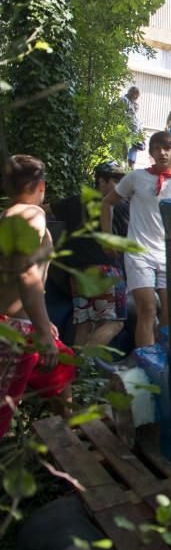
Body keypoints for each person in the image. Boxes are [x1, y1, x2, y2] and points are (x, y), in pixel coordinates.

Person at [101, 131, 171, 348]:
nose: (162, 152)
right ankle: (147, 364)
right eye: (156, 148)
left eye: (167, 148)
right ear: (152, 152)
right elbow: (107, 203)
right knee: (146, 309)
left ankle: (163, 360)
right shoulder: (136, 177)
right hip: (139, 252)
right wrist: (107, 238)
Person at [0, 156, 76, 436]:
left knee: (61, 368)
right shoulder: (31, 214)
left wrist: (41, 323)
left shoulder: (9, 216)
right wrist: (42, 331)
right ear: (41, 186)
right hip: (11, 331)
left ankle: (67, 436)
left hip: (21, 324)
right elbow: (28, 275)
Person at [48, 161, 129, 348]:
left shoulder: (75, 201)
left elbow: (42, 210)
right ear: (101, 181)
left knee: (84, 325)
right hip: (106, 272)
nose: (120, 186)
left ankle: (77, 373)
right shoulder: (121, 207)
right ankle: (85, 367)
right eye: (116, 181)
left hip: (77, 274)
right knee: (115, 323)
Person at [123, 86, 145, 169]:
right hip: (126, 130)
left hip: (134, 131)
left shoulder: (134, 103)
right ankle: (124, 169)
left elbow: (135, 118)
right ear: (132, 93)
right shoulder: (124, 100)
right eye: (136, 95)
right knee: (124, 151)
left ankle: (130, 168)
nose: (137, 98)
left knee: (133, 151)